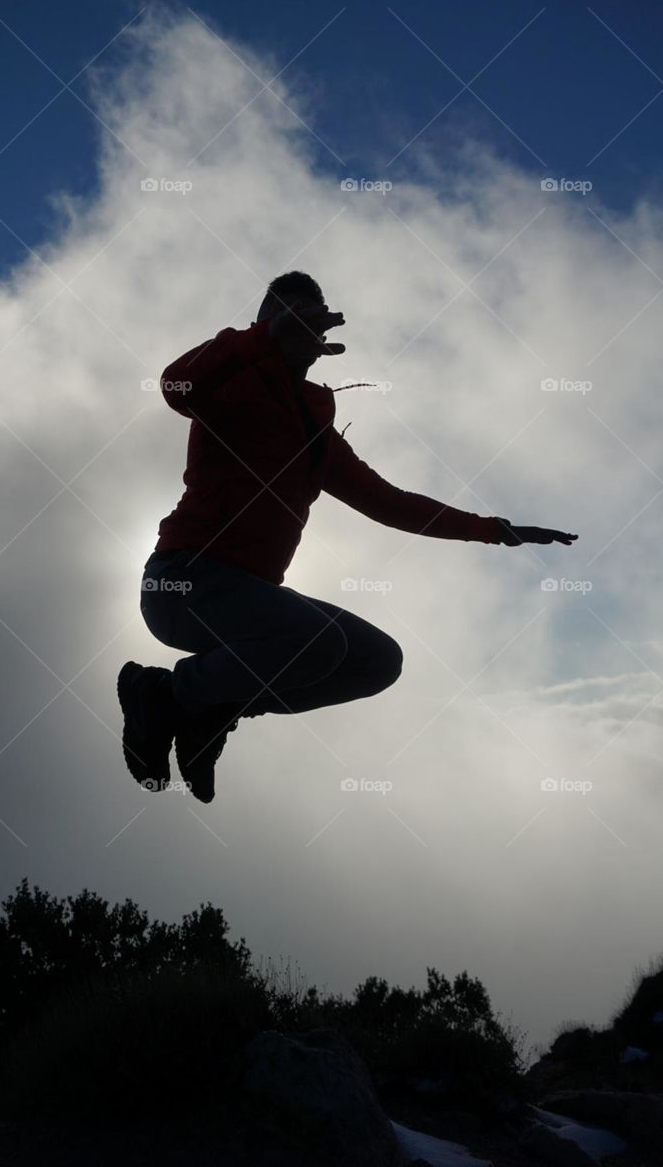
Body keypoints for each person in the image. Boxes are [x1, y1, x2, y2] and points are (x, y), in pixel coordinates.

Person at [118, 271, 577, 803]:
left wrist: (493, 530)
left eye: (307, 325)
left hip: (249, 605)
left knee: (376, 661)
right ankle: (165, 694)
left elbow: (390, 504)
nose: (299, 334)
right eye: (285, 320)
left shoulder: (314, 435)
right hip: (183, 584)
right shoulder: (231, 385)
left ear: (320, 344)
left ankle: (210, 709)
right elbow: (178, 386)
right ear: (263, 325)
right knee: (318, 643)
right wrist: (263, 339)